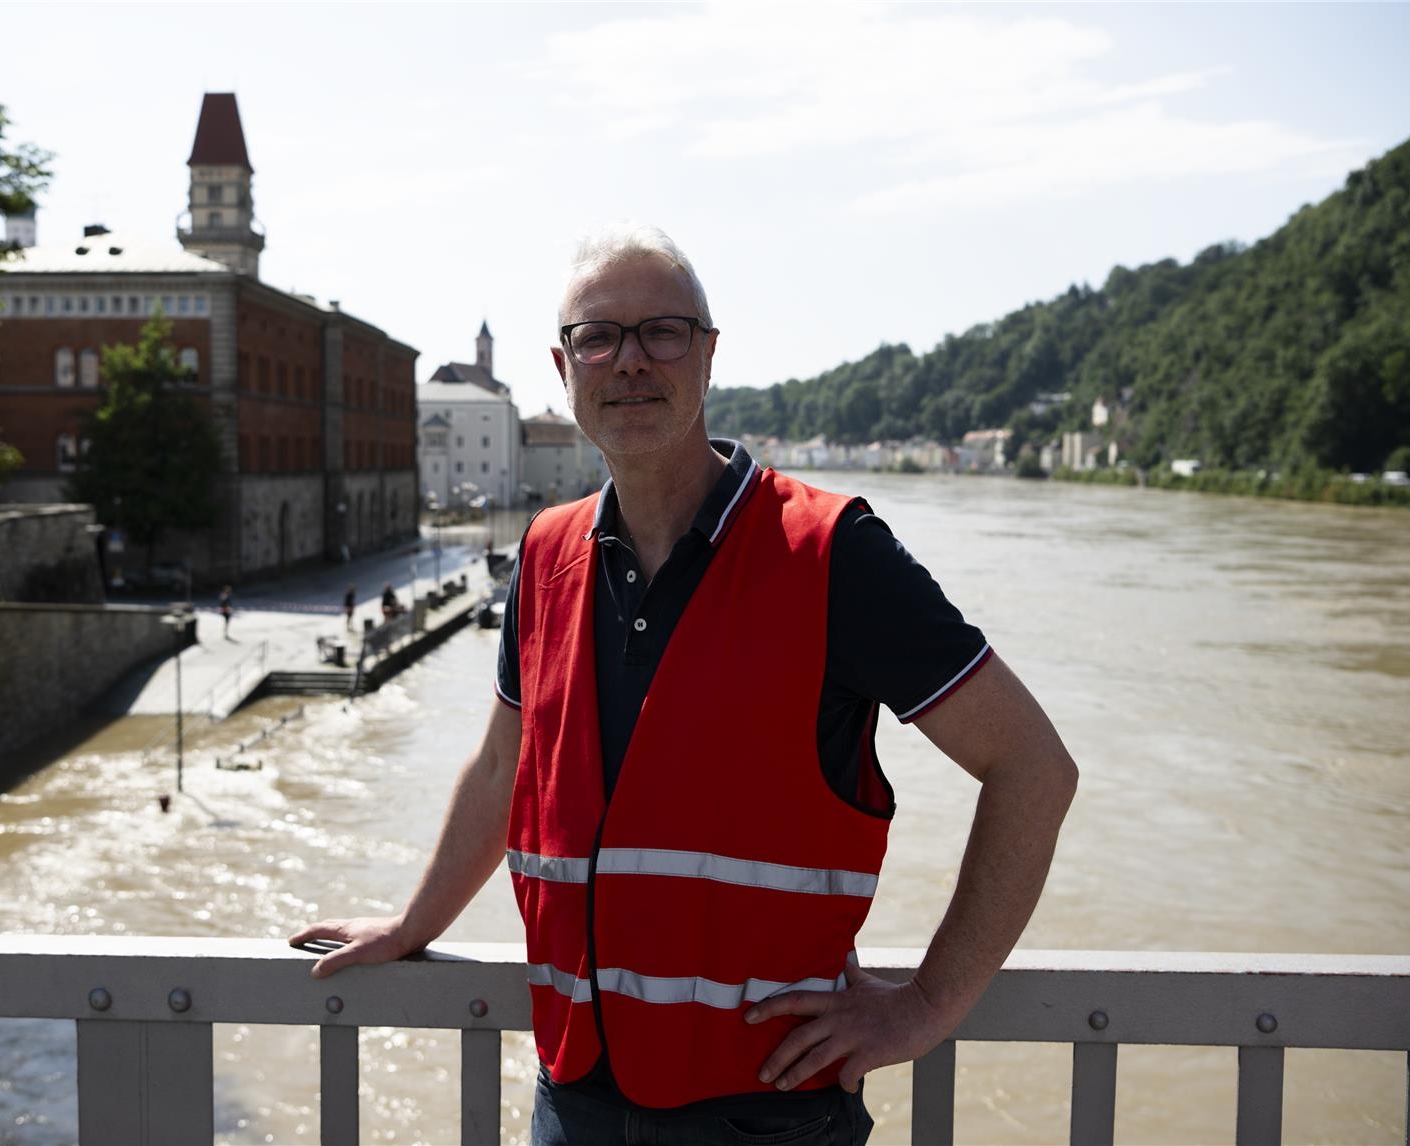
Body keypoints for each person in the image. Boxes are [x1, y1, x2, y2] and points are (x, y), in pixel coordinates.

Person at [291, 224, 1078, 1144]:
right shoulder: (545, 554)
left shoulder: (830, 554)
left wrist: (930, 1004)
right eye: (599, 336)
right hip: (574, 1097)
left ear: (708, 355)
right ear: (564, 365)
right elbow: (507, 761)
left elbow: (1033, 767)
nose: (629, 361)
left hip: (764, 1113)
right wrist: (412, 923)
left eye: (662, 331)